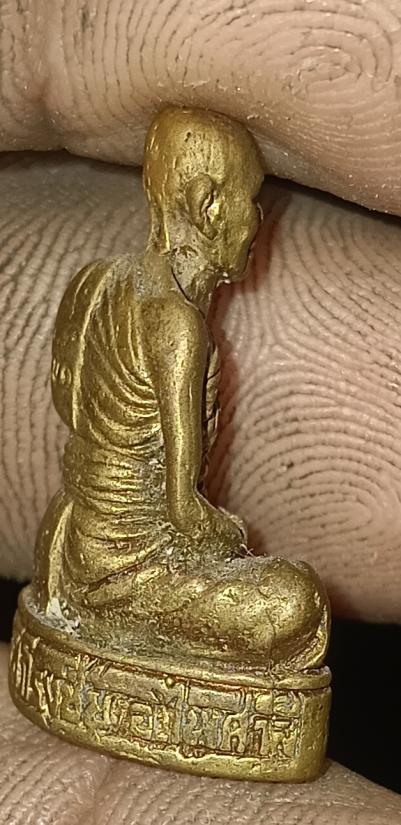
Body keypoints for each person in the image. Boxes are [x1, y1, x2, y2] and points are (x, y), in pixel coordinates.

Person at [2, 1, 401, 822]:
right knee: (295, 603)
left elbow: (68, 405)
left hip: (70, 549)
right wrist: (219, 534)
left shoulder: (99, 283)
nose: (257, 224)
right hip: (131, 572)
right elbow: (183, 511)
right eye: (252, 201)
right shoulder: (177, 326)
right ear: (208, 204)